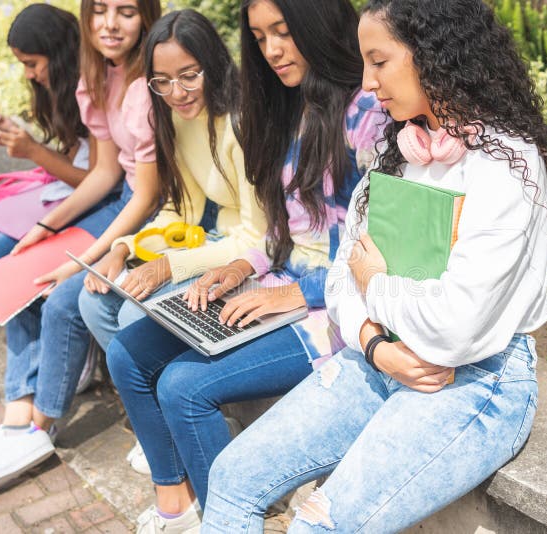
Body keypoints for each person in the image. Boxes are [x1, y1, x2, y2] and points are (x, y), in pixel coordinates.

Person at [201, 0, 547, 532]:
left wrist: (374, 282)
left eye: (380, 62)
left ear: (433, 55)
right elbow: (339, 274)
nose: (369, 83)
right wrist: (375, 344)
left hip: (473, 380)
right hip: (381, 355)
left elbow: (455, 327)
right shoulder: (402, 147)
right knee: (232, 476)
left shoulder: (506, 166)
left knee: (317, 525)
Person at [102, 0, 385, 531]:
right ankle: (183, 506)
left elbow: (385, 259)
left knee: (183, 389)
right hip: (273, 282)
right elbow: (281, 229)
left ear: (318, 24)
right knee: (130, 351)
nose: (272, 49)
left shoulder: (368, 116)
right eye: (259, 37)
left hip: (331, 310)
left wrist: (302, 294)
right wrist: (239, 267)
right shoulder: (284, 107)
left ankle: (224, 520)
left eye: (283, 31)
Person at [0, 0, 163, 501]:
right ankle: (17, 415)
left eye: (126, 11)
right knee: (8, 261)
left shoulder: (151, 84)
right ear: (86, 18)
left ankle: (38, 429)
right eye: (100, 11)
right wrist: (45, 226)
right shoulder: (105, 79)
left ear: (147, 15)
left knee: (65, 297)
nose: (110, 24)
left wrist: (91, 255)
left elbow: (146, 194)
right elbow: (106, 173)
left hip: (150, 214)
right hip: (118, 198)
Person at [77, 6, 264, 481]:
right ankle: (160, 428)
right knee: (94, 299)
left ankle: (181, 433)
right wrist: (128, 246)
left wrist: (167, 268)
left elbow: (256, 238)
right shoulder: (178, 115)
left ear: (214, 65)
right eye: (161, 80)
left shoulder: (243, 122)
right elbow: (180, 212)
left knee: (130, 313)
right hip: (213, 239)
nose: (176, 93)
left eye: (188, 76)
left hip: (249, 259)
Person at [0, 3, 93, 271]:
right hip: (65, 191)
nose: (29, 74)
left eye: (32, 64)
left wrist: (33, 151)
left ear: (60, 54)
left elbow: (95, 182)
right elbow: (74, 161)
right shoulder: (62, 91)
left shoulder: (93, 90)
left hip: (92, 201)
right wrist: (23, 140)